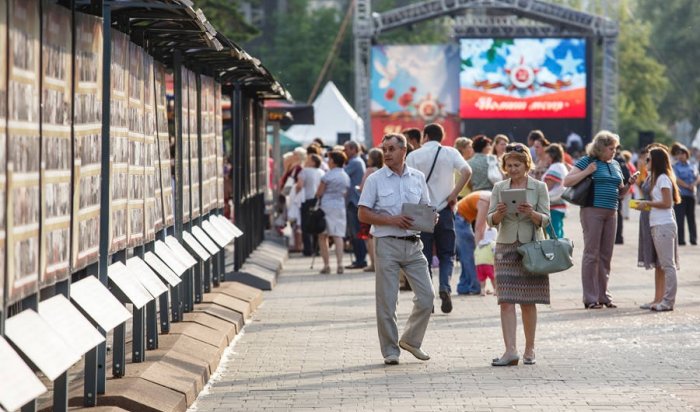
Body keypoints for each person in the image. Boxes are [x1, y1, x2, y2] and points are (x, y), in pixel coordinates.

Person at [358, 133, 436, 365]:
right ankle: (391, 351)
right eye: (384, 149)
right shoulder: (375, 179)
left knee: (427, 297)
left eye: (392, 149)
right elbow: (362, 213)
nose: (387, 153)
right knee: (387, 301)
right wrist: (392, 220)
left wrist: (433, 217)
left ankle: (411, 340)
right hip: (387, 244)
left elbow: (425, 206)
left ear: (404, 151)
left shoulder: (418, 177)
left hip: (414, 245)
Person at [487, 142, 551, 366]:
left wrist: (531, 213)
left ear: (526, 165)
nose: (513, 169)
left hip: (530, 248)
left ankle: (530, 348)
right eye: (509, 165)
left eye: (517, 165)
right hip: (505, 246)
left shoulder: (539, 187)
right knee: (505, 301)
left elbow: (546, 219)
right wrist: (498, 214)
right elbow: (489, 219)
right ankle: (510, 351)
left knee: (528, 301)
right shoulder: (499, 187)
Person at [563, 131, 638, 309]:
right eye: (611, 148)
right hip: (592, 211)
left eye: (615, 148)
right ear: (601, 147)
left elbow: (619, 193)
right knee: (591, 254)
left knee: (606, 255)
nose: (614, 151)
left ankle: (603, 295)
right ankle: (590, 298)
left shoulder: (615, 165)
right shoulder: (587, 161)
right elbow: (567, 181)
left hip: (611, 212)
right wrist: (587, 172)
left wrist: (629, 185)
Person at [406, 123, 472, 314]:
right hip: (444, 209)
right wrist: (453, 194)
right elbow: (467, 171)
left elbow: (408, 183)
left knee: (423, 256)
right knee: (447, 254)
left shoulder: (413, 156)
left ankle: (427, 298)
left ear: (425, 136)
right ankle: (445, 287)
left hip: (422, 211)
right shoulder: (450, 152)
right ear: (441, 136)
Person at [632, 147, 681, 311]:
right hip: (657, 223)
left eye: (649, 160)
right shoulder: (656, 178)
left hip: (663, 224)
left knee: (668, 265)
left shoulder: (663, 179)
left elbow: (667, 203)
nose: (646, 162)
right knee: (660, 266)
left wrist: (648, 203)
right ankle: (658, 299)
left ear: (656, 161)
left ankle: (668, 301)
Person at [315, 151, 351, 275]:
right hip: (339, 206)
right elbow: (346, 192)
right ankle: (340, 264)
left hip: (326, 207)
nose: (328, 161)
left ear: (333, 161)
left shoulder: (327, 176)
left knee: (323, 236)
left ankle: (326, 265)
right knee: (338, 235)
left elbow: (319, 192)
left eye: (329, 160)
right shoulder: (345, 176)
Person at [455, 190, 491, 295]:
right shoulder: (485, 202)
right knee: (470, 255)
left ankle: (464, 287)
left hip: (461, 219)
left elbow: (483, 225)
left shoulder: (488, 197)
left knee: (465, 255)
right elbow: (479, 228)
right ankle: (476, 287)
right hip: (459, 219)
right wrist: (479, 249)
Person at [358, 148, 384, 272]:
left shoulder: (369, 170)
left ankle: (373, 264)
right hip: (380, 207)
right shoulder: (383, 171)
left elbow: (363, 187)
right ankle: (378, 263)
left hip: (369, 208)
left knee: (369, 237)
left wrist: (358, 188)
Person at [344, 141, 368, 270]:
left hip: (354, 202)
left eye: (346, 149)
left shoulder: (355, 162)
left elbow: (342, 173)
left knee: (356, 232)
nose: (345, 152)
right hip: (353, 201)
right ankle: (360, 259)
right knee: (355, 232)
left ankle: (360, 259)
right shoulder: (357, 161)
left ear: (354, 149)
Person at [297, 153, 325, 256]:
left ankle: (308, 249)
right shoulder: (322, 172)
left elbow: (300, 185)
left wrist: (295, 192)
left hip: (307, 199)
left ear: (313, 162)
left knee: (306, 224)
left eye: (308, 159)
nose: (306, 161)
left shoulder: (304, 171)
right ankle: (316, 248)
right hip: (318, 199)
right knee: (316, 223)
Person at [672, 144, 698, 245]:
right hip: (681, 195)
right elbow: (676, 179)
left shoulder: (692, 164)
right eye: (679, 154)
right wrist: (687, 186)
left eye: (683, 153)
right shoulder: (675, 166)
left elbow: (697, 176)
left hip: (691, 195)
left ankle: (693, 239)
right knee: (680, 217)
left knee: (691, 217)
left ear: (687, 154)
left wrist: (694, 184)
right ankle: (681, 240)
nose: (681, 155)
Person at [541, 144, 568, 238]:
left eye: (547, 156)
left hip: (554, 206)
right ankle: (562, 251)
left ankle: (558, 252)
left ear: (552, 156)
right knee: (558, 232)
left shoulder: (555, 167)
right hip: (560, 205)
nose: (546, 159)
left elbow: (547, 187)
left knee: (555, 235)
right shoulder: (561, 166)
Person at [474, 227, 497, 296]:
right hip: (488, 263)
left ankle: (482, 290)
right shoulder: (493, 243)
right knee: (493, 277)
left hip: (479, 264)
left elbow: (475, 253)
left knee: (482, 278)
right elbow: (495, 253)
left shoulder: (480, 244)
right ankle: (495, 290)